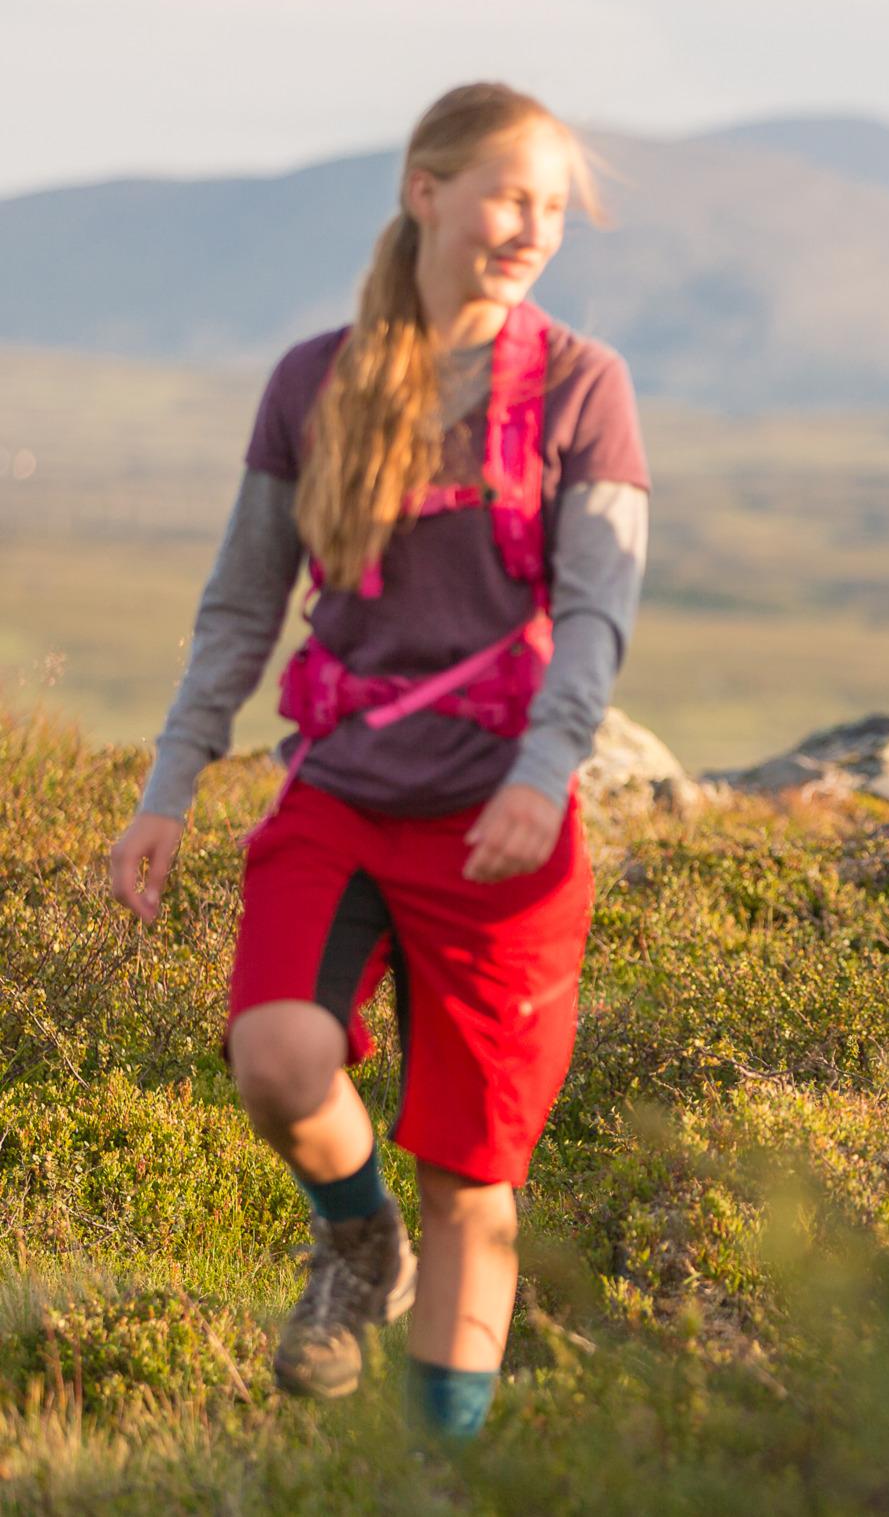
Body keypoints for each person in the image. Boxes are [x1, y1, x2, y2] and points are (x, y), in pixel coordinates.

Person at [106, 83, 649, 1444]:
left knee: (476, 1179)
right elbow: (241, 607)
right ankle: (357, 1244)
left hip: (503, 825)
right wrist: (167, 787)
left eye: (553, 210)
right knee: (278, 1056)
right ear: (427, 192)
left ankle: (434, 1475)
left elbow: (595, 609)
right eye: (509, 197)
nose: (533, 229)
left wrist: (545, 770)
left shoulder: (584, 386)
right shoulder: (313, 381)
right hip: (341, 793)